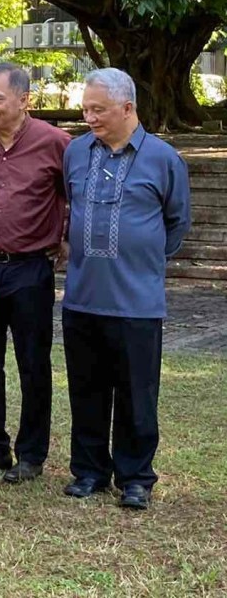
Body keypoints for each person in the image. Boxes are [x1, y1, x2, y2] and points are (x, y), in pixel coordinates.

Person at [62, 68, 190, 510]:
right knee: (86, 389)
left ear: (128, 108)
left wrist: (141, 259)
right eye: (86, 109)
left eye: (98, 109)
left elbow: (177, 223)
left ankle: (135, 477)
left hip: (137, 301)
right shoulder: (76, 152)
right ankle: (89, 471)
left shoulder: (163, 158)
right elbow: (70, 204)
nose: (89, 117)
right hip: (82, 296)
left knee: (137, 393)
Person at [0, 63, 70, 483]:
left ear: (24, 100)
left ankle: (32, 455)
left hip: (30, 268)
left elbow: (73, 195)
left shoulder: (55, 143)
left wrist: (66, 237)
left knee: (33, 363)